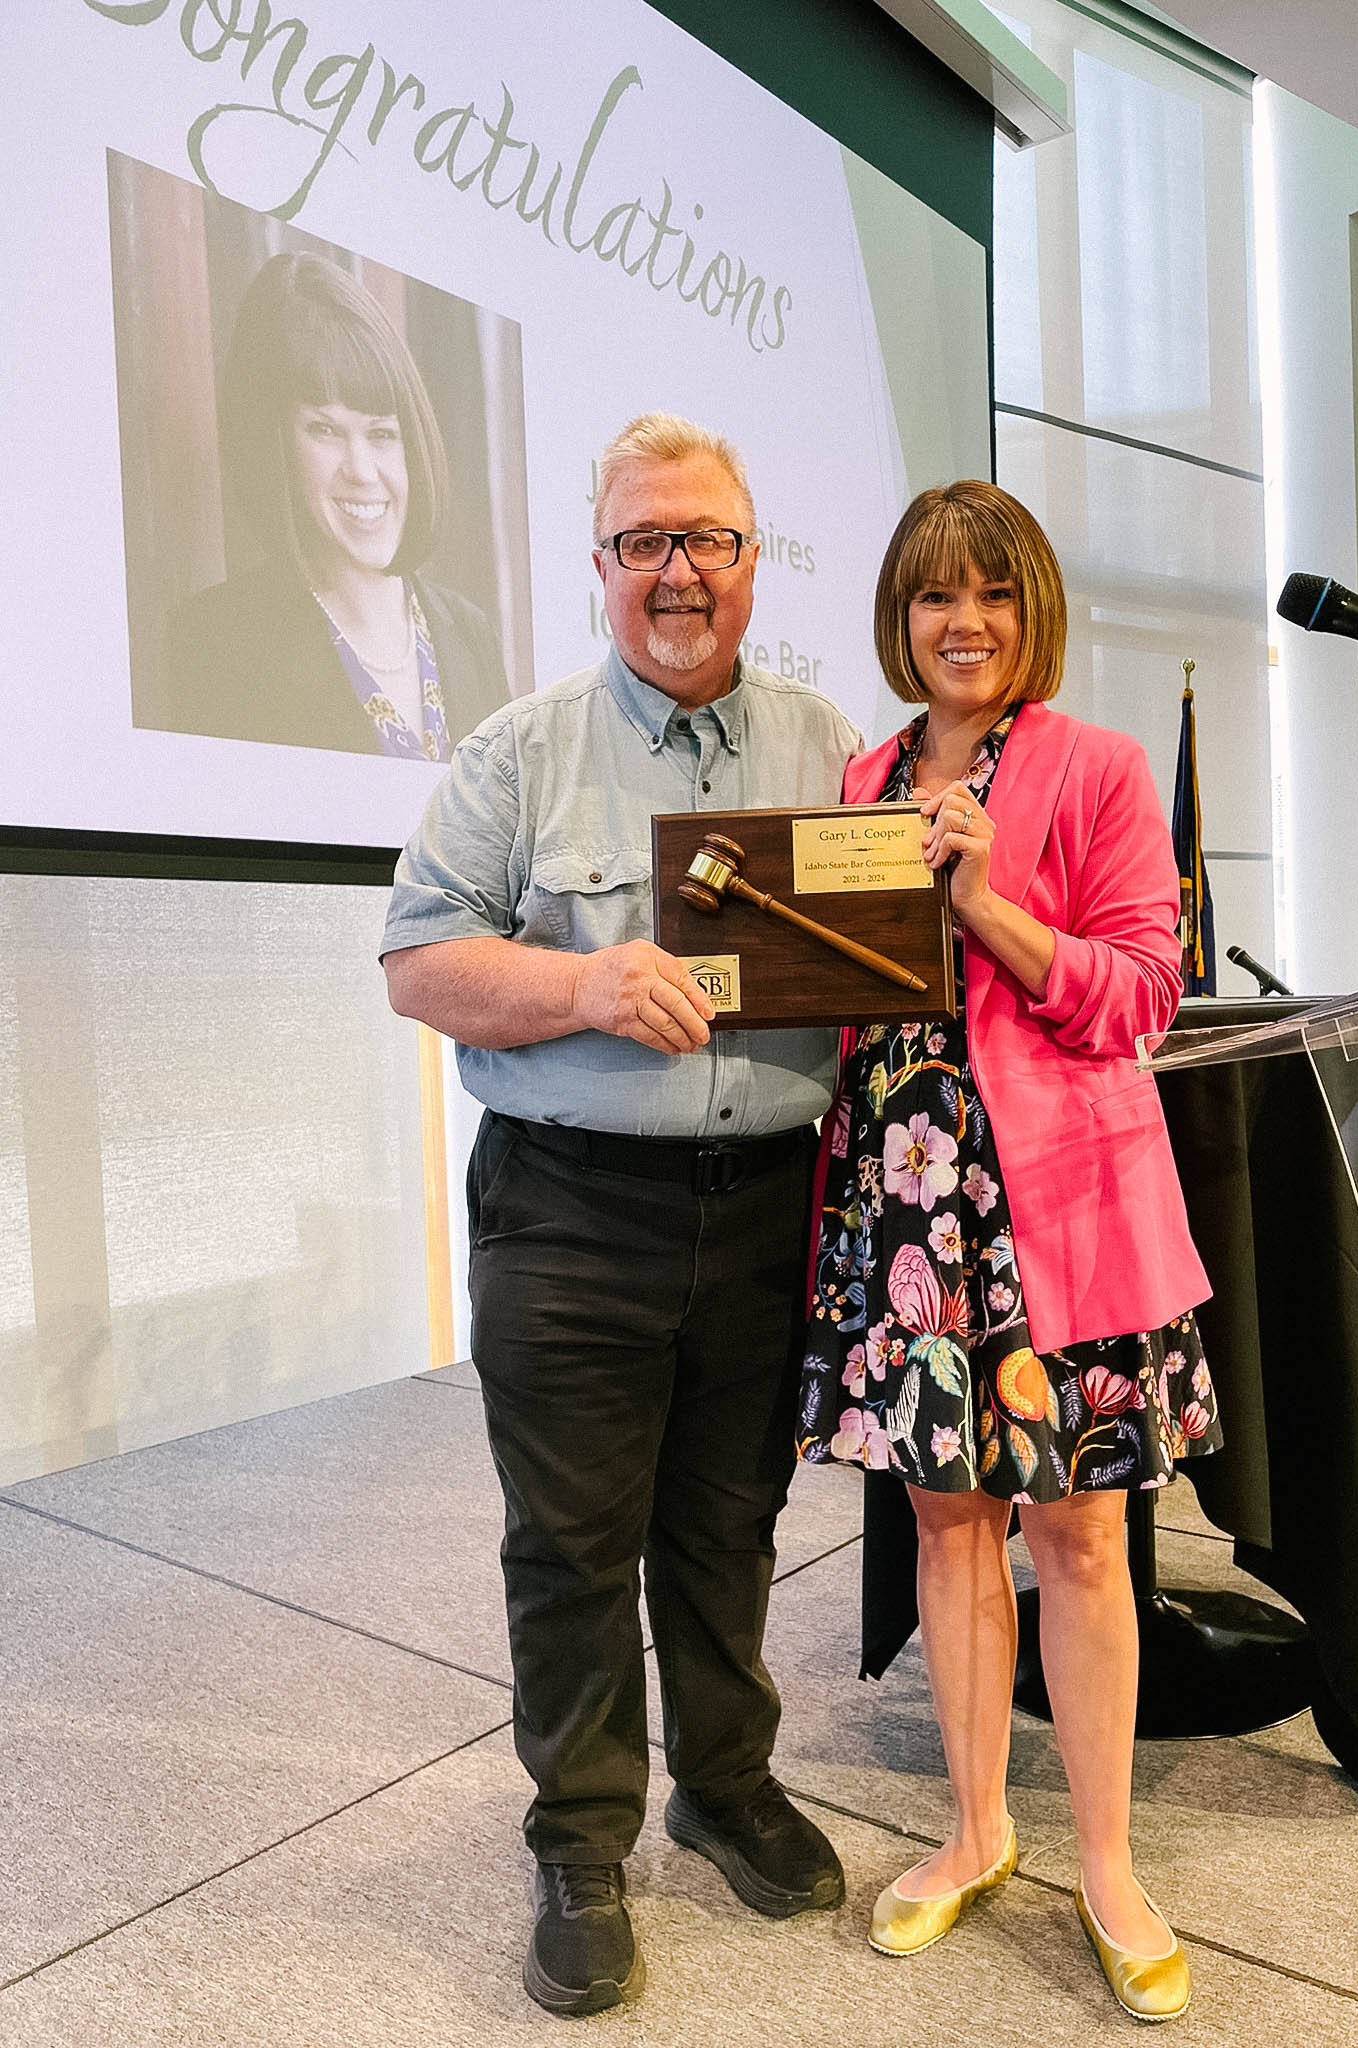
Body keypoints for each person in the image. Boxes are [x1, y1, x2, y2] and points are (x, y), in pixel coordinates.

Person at [380, 415, 859, 2019]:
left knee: (728, 1530)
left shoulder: (826, 744)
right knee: (574, 1542)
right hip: (573, 1211)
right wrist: (584, 981)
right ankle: (581, 1839)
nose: (676, 569)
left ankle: (724, 1787)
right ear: (600, 567)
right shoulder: (515, 753)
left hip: (770, 1206)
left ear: (749, 561)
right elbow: (418, 967)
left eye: (705, 539)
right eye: (643, 540)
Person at [800, 481, 1219, 2024]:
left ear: (1028, 606)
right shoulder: (857, 774)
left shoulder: (1100, 769)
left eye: (987, 591)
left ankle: (1105, 1860)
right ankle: (978, 1829)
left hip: (1061, 1207)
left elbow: (1142, 992)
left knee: (1084, 1538)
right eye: (930, 596)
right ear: (899, 621)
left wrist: (986, 908)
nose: (959, 620)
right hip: (907, 1201)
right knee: (950, 1527)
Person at [164, 252, 508, 756]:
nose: (363, 471)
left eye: (383, 433)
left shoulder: (470, 632)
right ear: (273, 440)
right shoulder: (216, 640)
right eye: (324, 430)